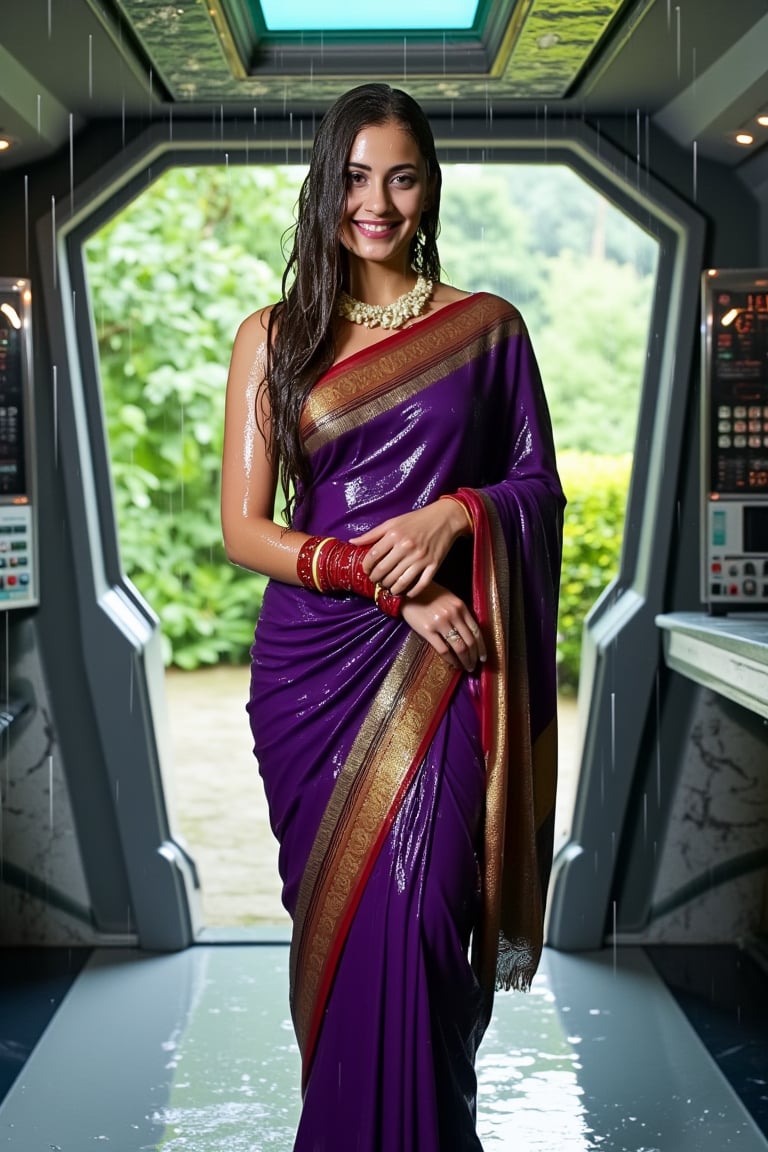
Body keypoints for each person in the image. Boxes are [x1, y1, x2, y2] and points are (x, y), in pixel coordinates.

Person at [221, 82, 564, 1152]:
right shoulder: (274, 338)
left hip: (449, 660)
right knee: (342, 936)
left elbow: (537, 488)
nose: (377, 202)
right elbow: (244, 526)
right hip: (315, 672)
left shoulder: (487, 329)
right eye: (356, 176)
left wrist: (454, 518)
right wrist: (381, 577)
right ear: (327, 185)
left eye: (401, 176)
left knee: (422, 926)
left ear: (430, 188)